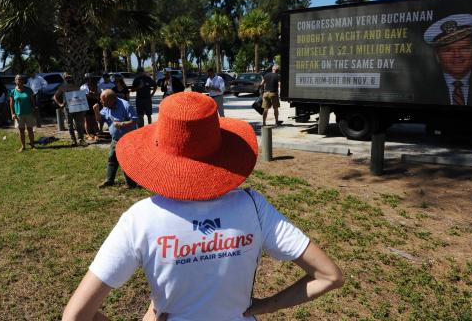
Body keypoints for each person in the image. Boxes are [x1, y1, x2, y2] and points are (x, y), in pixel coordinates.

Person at [63, 92, 343, 321]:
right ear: (220, 148)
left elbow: (75, 316)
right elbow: (329, 276)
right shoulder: (255, 207)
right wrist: (264, 306)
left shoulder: (140, 219)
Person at [424, 14, 472, 106]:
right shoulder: (423, 88)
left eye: (464, 48)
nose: (457, 55)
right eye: (448, 50)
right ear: (437, 56)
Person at [94, 89, 138, 189]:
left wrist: (122, 124)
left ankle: (131, 184)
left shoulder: (125, 105)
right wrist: (96, 111)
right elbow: (99, 119)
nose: (101, 102)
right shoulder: (106, 107)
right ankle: (109, 180)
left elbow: (135, 120)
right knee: (112, 158)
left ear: (111, 100)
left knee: (126, 160)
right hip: (116, 139)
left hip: (128, 139)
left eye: (102, 100)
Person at [53, 73, 88, 147]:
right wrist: (60, 104)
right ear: (64, 78)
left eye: (70, 77)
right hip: (67, 109)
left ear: (72, 77)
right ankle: (73, 140)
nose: (68, 79)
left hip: (78, 108)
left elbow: (82, 95)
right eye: (67, 77)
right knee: (70, 125)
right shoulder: (62, 87)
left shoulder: (77, 85)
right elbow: (55, 96)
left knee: (79, 124)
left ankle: (81, 139)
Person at [9, 74, 37, 152]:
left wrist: (34, 108)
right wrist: (12, 113)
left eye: (21, 79)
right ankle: (23, 146)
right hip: (19, 114)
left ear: (23, 81)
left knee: (30, 129)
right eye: (18, 79)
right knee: (21, 131)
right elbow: (11, 104)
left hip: (28, 113)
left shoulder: (29, 90)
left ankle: (32, 145)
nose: (19, 80)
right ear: (15, 81)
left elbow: (32, 101)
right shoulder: (13, 91)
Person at [84, 77, 100, 141]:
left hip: (95, 107)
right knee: (87, 121)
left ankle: (96, 134)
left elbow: (98, 98)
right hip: (87, 107)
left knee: (94, 121)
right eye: (90, 85)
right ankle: (88, 134)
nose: (92, 86)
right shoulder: (85, 90)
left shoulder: (97, 92)